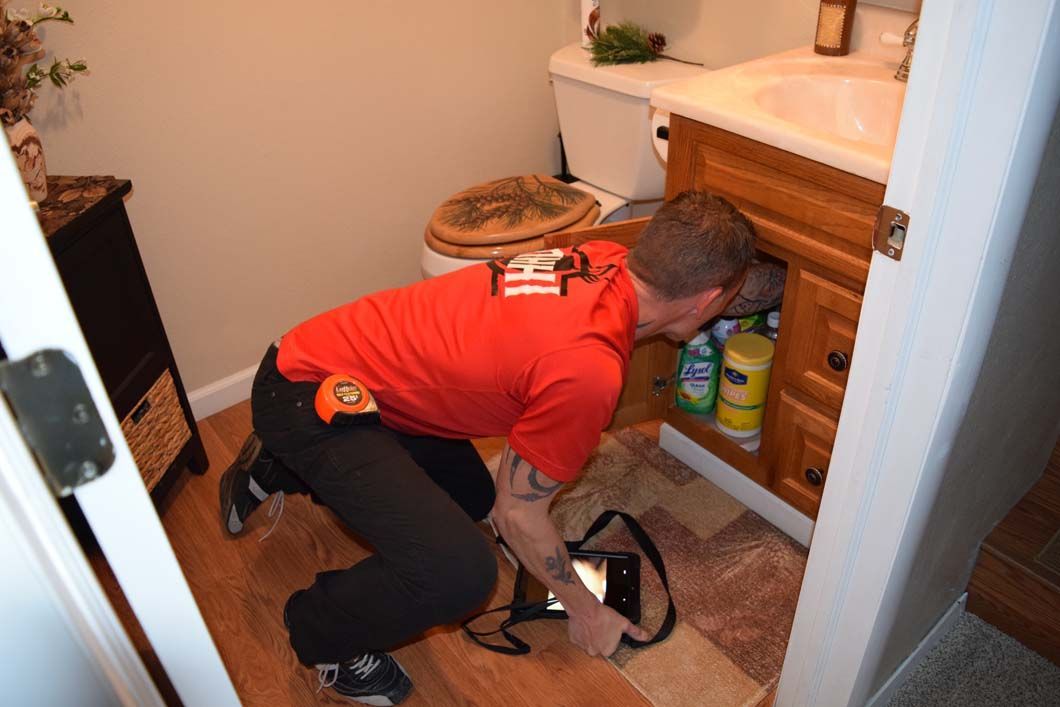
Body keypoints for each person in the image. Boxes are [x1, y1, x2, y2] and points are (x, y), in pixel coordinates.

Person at [220, 190, 782, 705]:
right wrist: (586, 613)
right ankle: (318, 630)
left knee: (470, 498)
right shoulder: (588, 370)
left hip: (335, 358)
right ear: (705, 298)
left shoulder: (604, 256)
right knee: (459, 574)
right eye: (727, 300)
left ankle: (281, 462)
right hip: (308, 394)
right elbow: (518, 515)